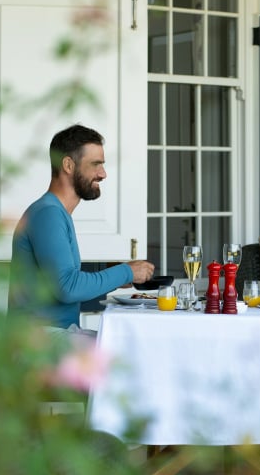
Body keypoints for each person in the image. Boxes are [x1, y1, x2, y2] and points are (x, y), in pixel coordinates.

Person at [8, 124, 155, 330]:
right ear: (68, 165)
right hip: (39, 343)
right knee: (128, 354)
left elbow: (62, 284)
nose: (103, 174)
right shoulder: (48, 214)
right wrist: (127, 272)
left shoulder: (55, 212)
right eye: (95, 164)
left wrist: (113, 277)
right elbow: (68, 287)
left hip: (55, 336)